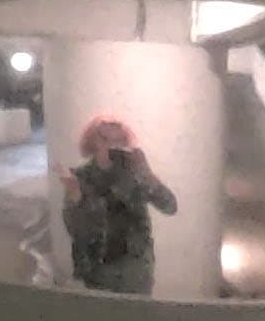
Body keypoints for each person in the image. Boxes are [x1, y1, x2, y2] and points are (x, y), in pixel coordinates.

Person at [61, 116, 178, 293]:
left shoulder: (135, 173)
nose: (111, 146)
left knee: (136, 319)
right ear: (93, 141)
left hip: (135, 269)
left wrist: (148, 174)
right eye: (105, 139)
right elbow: (75, 231)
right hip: (98, 269)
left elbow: (170, 207)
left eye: (118, 140)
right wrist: (75, 199)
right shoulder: (81, 178)